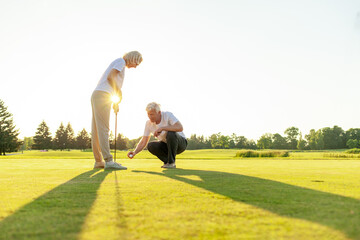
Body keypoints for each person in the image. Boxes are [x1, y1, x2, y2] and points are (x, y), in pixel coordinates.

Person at [91, 51, 143, 170]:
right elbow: (110, 77)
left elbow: (111, 82)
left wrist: (115, 102)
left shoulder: (120, 63)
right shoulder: (121, 62)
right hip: (103, 94)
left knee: (96, 129)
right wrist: (119, 91)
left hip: (98, 94)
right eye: (136, 63)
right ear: (133, 58)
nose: (135, 66)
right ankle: (108, 161)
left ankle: (99, 161)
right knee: (104, 128)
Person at [127, 102, 187, 168]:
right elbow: (144, 140)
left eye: (152, 114)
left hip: (180, 144)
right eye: (148, 114)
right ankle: (167, 162)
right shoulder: (148, 123)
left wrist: (162, 128)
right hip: (166, 145)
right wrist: (135, 152)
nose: (150, 116)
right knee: (150, 145)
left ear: (159, 113)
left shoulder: (167, 115)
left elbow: (180, 127)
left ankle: (171, 163)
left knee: (171, 133)